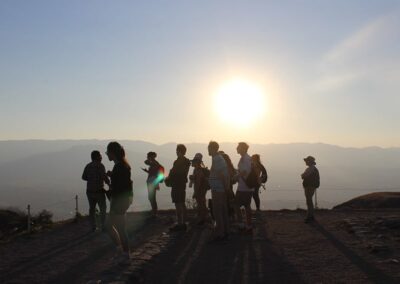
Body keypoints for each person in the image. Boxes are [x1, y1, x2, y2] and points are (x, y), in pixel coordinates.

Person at [105, 142, 133, 260]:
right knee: (115, 226)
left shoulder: (119, 167)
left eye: (108, 153)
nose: (107, 155)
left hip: (119, 201)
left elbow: (118, 187)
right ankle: (122, 251)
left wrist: (108, 187)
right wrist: (112, 177)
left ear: (112, 153)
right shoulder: (122, 165)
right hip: (123, 199)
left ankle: (125, 254)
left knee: (117, 227)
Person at [81, 150, 110, 232]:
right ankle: (103, 226)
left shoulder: (88, 166)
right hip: (99, 191)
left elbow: (83, 177)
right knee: (103, 209)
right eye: (100, 156)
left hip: (89, 191)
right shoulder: (100, 166)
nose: (101, 157)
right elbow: (104, 178)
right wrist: (109, 184)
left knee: (92, 209)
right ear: (97, 157)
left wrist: (91, 178)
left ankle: (93, 226)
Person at [208, 141, 230, 242]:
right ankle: (224, 231)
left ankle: (220, 234)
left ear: (212, 148)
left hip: (218, 189)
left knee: (218, 211)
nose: (207, 150)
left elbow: (222, 175)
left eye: (208, 148)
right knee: (221, 210)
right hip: (218, 188)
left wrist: (226, 188)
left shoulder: (217, 159)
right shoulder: (217, 158)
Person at [166, 144, 191, 231]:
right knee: (182, 203)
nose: (176, 152)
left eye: (177, 150)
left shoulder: (178, 162)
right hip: (182, 184)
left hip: (177, 184)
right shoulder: (186, 162)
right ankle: (183, 223)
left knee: (178, 204)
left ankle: (180, 224)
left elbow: (175, 172)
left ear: (180, 151)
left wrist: (169, 177)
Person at [235, 142, 254, 233]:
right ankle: (248, 226)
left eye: (238, 147)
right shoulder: (247, 158)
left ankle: (241, 225)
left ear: (242, 148)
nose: (236, 148)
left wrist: (236, 176)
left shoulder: (245, 159)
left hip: (243, 187)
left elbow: (245, 172)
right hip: (247, 187)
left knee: (236, 205)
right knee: (247, 206)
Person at [189, 153, 209, 225]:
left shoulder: (198, 170)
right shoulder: (197, 170)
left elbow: (198, 182)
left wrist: (196, 192)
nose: (192, 163)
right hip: (202, 190)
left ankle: (202, 219)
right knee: (201, 203)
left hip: (200, 190)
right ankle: (203, 218)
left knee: (201, 204)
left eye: (194, 161)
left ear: (197, 162)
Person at [141, 152, 163, 217]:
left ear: (151, 156)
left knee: (152, 197)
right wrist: (147, 171)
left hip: (152, 182)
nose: (147, 157)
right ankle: (154, 211)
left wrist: (149, 159)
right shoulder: (154, 163)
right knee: (151, 197)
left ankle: (154, 212)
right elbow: (153, 172)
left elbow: (145, 162)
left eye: (148, 156)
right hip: (152, 182)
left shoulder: (154, 163)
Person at [301, 156, 320, 223]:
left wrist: (302, 175)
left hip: (309, 187)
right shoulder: (313, 169)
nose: (305, 162)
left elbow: (303, 176)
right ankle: (310, 216)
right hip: (312, 186)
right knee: (309, 201)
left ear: (309, 161)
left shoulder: (310, 169)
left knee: (309, 201)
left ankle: (310, 216)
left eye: (306, 161)